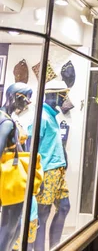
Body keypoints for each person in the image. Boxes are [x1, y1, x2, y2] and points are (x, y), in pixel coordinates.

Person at [35, 79, 70, 250]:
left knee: (64, 206)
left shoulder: (51, 116)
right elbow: (32, 148)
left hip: (57, 171)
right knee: (42, 214)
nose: (65, 99)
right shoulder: (41, 117)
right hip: (46, 172)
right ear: (54, 95)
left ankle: (55, 246)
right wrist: (36, 176)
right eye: (63, 95)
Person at [0, 83, 35, 250]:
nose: (28, 103)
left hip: (9, 176)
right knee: (10, 224)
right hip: (10, 178)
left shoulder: (7, 118)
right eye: (27, 98)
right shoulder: (6, 122)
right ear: (16, 96)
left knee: (13, 223)